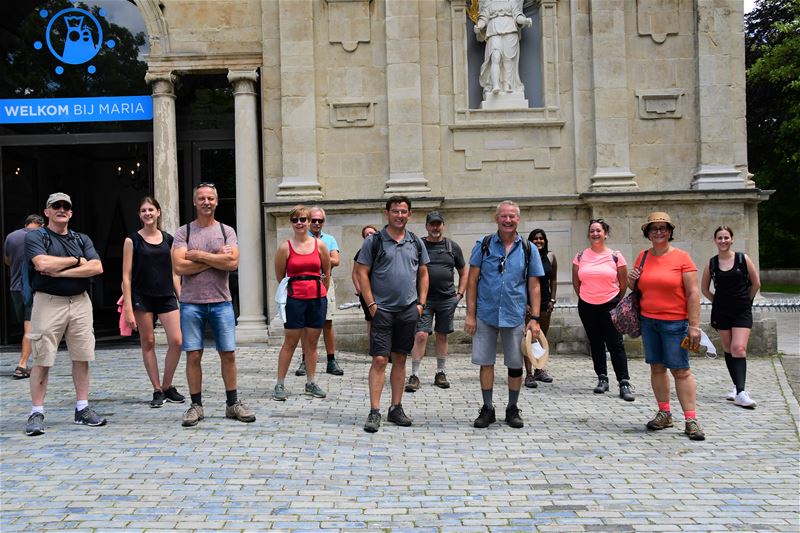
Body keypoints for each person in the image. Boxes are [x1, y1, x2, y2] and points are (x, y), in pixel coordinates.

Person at [172, 183, 255, 427]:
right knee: (193, 355)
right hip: (191, 303)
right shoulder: (183, 232)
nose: (206, 202)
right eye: (202, 198)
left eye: (210, 198)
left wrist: (197, 255)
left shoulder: (227, 230)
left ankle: (232, 404)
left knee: (228, 353)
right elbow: (179, 267)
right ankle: (196, 405)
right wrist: (217, 258)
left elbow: (233, 263)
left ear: (216, 202)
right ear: (195, 202)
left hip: (221, 302)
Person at [23, 193, 105, 437]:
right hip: (48, 302)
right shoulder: (37, 236)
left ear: (71, 212)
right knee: (42, 357)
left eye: (65, 207)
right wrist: (76, 261)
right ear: (47, 211)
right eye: (55, 206)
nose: (61, 209)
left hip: (80, 301)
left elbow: (97, 267)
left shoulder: (81, 238)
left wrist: (62, 272)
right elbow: (42, 265)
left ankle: (82, 408)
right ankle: (36, 412)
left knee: (82, 355)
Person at [465, 200, 543, 429]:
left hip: (514, 314)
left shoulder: (529, 249)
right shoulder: (484, 244)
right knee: (485, 362)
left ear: (518, 219)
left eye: (512, 217)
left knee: (515, 363)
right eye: (503, 216)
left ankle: (512, 408)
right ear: (496, 218)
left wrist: (535, 318)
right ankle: (487, 408)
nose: (508, 220)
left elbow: (534, 286)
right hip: (486, 313)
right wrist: (470, 314)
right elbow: (472, 280)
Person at [355, 196, 429, 433]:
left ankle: (395, 408)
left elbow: (424, 273)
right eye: (395, 211)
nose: (399, 215)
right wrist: (371, 304)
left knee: (400, 358)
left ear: (410, 214)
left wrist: (421, 304)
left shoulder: (416, 242)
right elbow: (361, 272)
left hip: (408, 310)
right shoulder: (374, 241)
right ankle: (374, 411)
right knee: (379, 359)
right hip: (383, 311)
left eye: (404, 211)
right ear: (387, 214)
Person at [630, 212, 705, 441]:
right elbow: (635, 288)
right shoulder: (642, 257)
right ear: (648, 233)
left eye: (663, 228)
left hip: (675, 322)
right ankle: (664, 412)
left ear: (670, 232)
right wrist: (632, 280)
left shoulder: (682, 258)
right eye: (654, 228)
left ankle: (691, 419)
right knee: (657, 368)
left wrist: (694, 325)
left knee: (681, 370)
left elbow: (693, 292)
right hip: (649, 321)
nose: (659, 232)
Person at [121, 197, 185, 408]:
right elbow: (127, 276)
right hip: (142, 297)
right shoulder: (132, 240)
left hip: (166, 295)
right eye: (143, 210)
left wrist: (182, 298)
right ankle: (157, 389)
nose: (147, 213)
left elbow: (175, 273)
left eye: (151, 209)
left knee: (177, 341)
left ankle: (168, 385)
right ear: (139, 215)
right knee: (148, 342)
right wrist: (129, 308)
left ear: (158, 212)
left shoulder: (168, 239)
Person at [572, 219, 635, 401]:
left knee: (615, 343)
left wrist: (613, 299)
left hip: (610, 305)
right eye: (592, 231)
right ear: (588, 234)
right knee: (596, 342)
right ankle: (602, 378)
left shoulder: (616, 256)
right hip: (587, 305)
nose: (595, 234)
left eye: (598, 231)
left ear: (605, 234)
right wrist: (587, 297)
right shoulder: (580, 256)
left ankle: (623, 382)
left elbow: (623, 284)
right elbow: (577, 282)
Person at [272, 205, 331, 401]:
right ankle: (280, 383)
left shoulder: (320, 245)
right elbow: (280, 276)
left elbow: (326, 272)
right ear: (291, 222)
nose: (300, 223)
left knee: (312, 343)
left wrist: (322, 293)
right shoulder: (285, 247)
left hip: (316, 298)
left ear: (308, 222)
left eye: (303, 219)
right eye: (296, 219)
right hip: (294, 299)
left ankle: (311, 382)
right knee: (290, 342)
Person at [405, 211, 467, 392]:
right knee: (421, 335)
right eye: (432, 224)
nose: (435, 227)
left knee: (442, 335)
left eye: (438, 224)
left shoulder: (452, 247)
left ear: (443, 225)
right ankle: (414, 374)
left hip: (447, 299)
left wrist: (459, 294)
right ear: (426, 226)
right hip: (424, 300)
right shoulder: (419, 245)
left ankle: (441, 372)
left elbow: (464, 272)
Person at [701, 226, 761, 408]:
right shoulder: (711, 263)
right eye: (720, 238)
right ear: (715, 241)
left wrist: (746, 301)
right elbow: (704, 289)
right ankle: (736, 386)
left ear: (732, 239)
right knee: (728, 349)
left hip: (741, 311)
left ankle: (742, 393)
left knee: (739, 348)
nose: (723, 241)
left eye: (726, 237)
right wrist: (717, 302)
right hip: (722, 311)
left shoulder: (743, 259)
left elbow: (756, 283)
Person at [294, 206, 344, 377]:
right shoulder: (301, 238)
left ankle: (331, 360)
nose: (316, 223)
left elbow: (336, 261)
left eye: (319, 220)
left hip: (325, 282)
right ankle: (304, 359)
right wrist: (322, 257)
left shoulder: (329, 239)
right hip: (305, 284)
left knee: (327, 322)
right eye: (313, 220)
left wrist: (313, 256)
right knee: (303, 324)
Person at [3, 214, 44, 379]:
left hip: (15, 287)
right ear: (40, 225)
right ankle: (22, 364)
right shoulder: (40, 236)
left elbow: (7, 260)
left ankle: (34, 361)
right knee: (30, 326)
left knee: (27, 324)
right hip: (31, 288)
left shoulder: (11, 237)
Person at [473, 0, 532, 97]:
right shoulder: (488, 3)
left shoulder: (512, 2)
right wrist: (478, 26)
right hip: (494, 32)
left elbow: (517, 16)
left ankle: (507, 86)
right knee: (495, 57)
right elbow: (483, 18)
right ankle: (495, 86)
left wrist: (525, 20)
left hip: (510, 31)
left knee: (508, 60)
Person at [523, 228, 556, 387]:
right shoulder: (525, 257)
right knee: (529, 339)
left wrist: (553, 299)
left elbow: (554, 280)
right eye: (535, 238)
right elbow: (520, 281)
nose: (538, 241)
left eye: (541, 238)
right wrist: (525, 303)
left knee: (542, 339)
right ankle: (528, 373)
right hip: (529, 304)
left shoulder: (550, 257)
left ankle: (539, 369)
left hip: (545, 303)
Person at [352, 225, 378, 335]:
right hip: (367, 292)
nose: (369, 236)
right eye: (366, 234)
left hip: (381, 290)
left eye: (371, 233)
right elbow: (355, 272)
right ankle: (373, 347)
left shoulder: (382, 249)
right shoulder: (361, 252)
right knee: (370, 319)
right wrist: (360, 290)